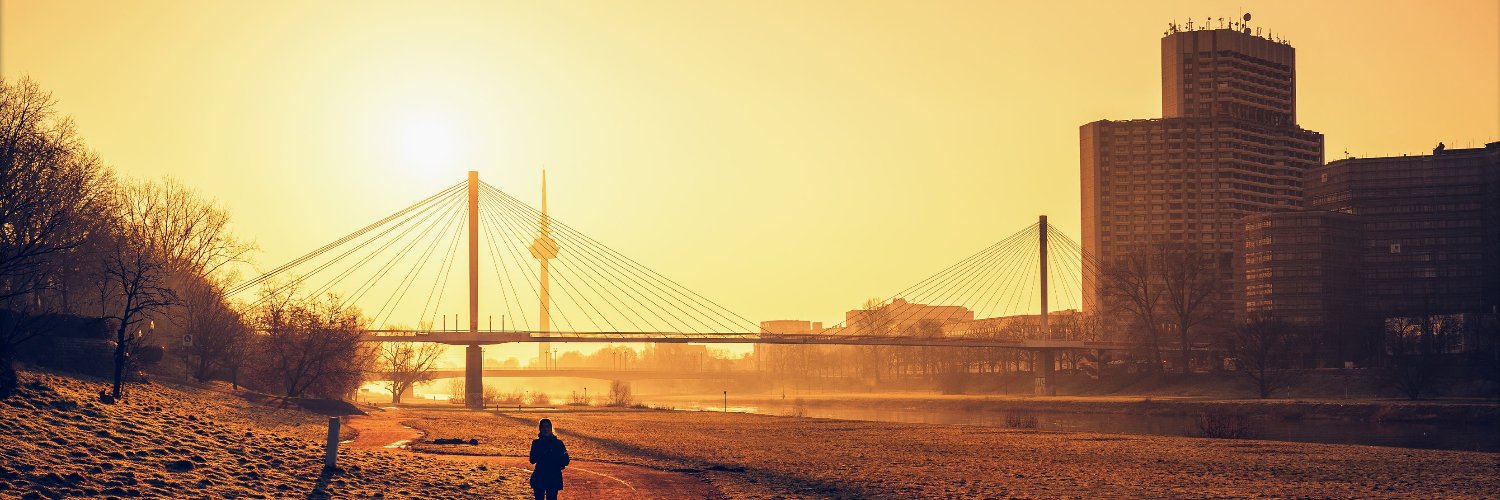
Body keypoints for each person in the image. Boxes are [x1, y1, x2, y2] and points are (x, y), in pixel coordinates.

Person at [528, 418, 570, 500]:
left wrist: (557, 461)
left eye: (547, 427)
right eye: (543, 427)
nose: (545, 429)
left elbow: (566, 461)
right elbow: (532, 460)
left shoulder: (558, 443)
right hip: (540, 476)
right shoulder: (536, 443)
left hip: (553, 476)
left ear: (551, 428)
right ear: (540, 429)